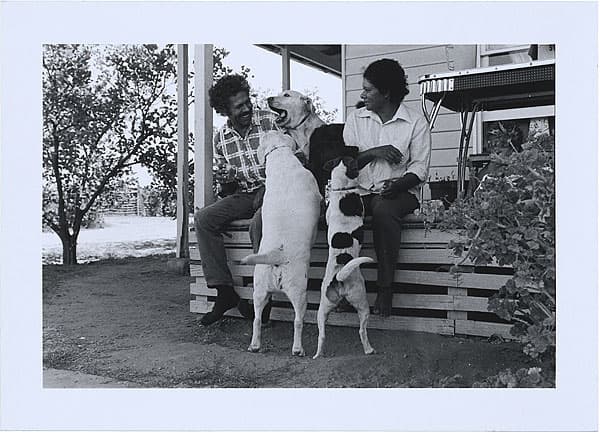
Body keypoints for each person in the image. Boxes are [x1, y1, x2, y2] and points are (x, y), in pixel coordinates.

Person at [343, 59, 432, 317]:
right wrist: (375, 152)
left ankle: (385, 289)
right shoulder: (356, 119)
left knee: (383, 209)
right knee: (337, 213)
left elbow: (419, 168)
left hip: (402, 194)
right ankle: (343, 286)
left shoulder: (415, 123)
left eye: (368, 90)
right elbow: (348, 165)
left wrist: (398, 184)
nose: (362, 94)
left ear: (387, 93)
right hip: (360, 192)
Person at [194, 74, 279, 326]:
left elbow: (291, 159)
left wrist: (270, 186)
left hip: (275, 190)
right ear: (225, 111)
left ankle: (264, 299)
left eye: (247, 102)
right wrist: (227, 180)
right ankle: (224, 292)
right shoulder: (221, 138)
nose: (246, 109)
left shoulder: (269, 121)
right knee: (204, 218)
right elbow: (228, 188)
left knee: (258, 224)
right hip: (244, 193)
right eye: (238, 106)